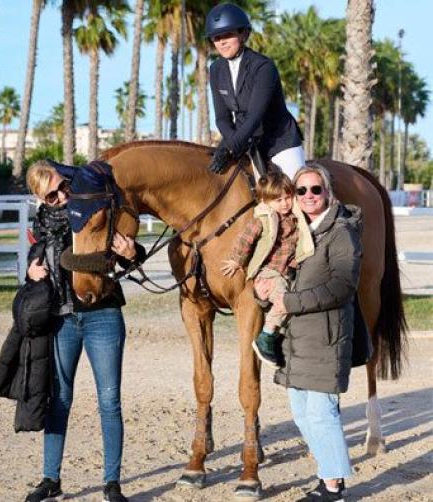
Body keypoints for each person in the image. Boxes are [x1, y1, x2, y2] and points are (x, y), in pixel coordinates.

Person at [22, 161, 138, 502]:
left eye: (62, 187)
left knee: (109, 400)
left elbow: (128, 253)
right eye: (51, 195)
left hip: (103, 315)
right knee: (58, 400)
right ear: (40, 199)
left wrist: (131, 254)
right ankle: (50, 478)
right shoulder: (42, 224)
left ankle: (112, 482)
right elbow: (34, 260)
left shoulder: (96, 209)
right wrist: (31, 271)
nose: (61, 197)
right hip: (62, 318)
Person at [255, 165, 361, 501]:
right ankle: (327, 477)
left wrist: (290, 300)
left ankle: (333, 489)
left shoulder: (341, 232)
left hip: (326, 338)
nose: (309, 196)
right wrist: (264, 292)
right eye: (301, 191)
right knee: (303, 416)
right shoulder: (295, 234)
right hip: (296, 341)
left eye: (316, 189)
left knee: (322, 415)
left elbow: (342, 287)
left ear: (328, 192)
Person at [220, 171, 313, 367]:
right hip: (269, 271)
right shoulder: (263, 220)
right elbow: (246, 239)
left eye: (288, 198)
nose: (285, 203)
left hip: (285, 271)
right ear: (265, 201)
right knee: (284, 300)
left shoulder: (294, 218)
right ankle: (266, 335)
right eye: (278, 200)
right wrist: (237, 260)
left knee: (294, 301)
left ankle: (277, 336)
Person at [204, 3, 304, 178]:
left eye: (228, 34)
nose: (222, 42)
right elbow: (222, 118)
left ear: (243, 33)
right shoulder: (215, 69)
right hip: (245, 142)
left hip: (280, 143)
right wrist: (230, 142)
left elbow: (254, 117)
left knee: (294, 193)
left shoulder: (263, 67)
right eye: (216, 38)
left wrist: (229, 147)